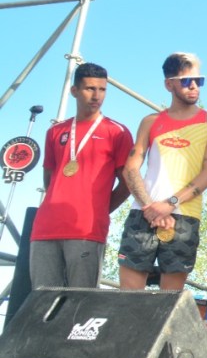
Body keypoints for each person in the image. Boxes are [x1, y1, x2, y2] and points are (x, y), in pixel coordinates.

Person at [118, 53, 207, 290]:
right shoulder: (150, 121)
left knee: (169, 301)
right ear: (169, 84)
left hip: (185, 216)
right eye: (186, 81)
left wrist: (169, 204)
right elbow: (130, 169)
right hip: (142, 212)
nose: (194, 86)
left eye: (199, 80)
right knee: (128, 299)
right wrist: (149, 207)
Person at [30, 62, 132, 288]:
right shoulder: (55, 131)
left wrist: (98, 211)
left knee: (80, 302)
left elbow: (127, 184)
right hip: (45, 228)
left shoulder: (117, 132)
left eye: (102, 89)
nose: (97, 95)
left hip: (86, 230)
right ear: (74, 91)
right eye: (90, 88)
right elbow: (49, 180)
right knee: (43, 300)